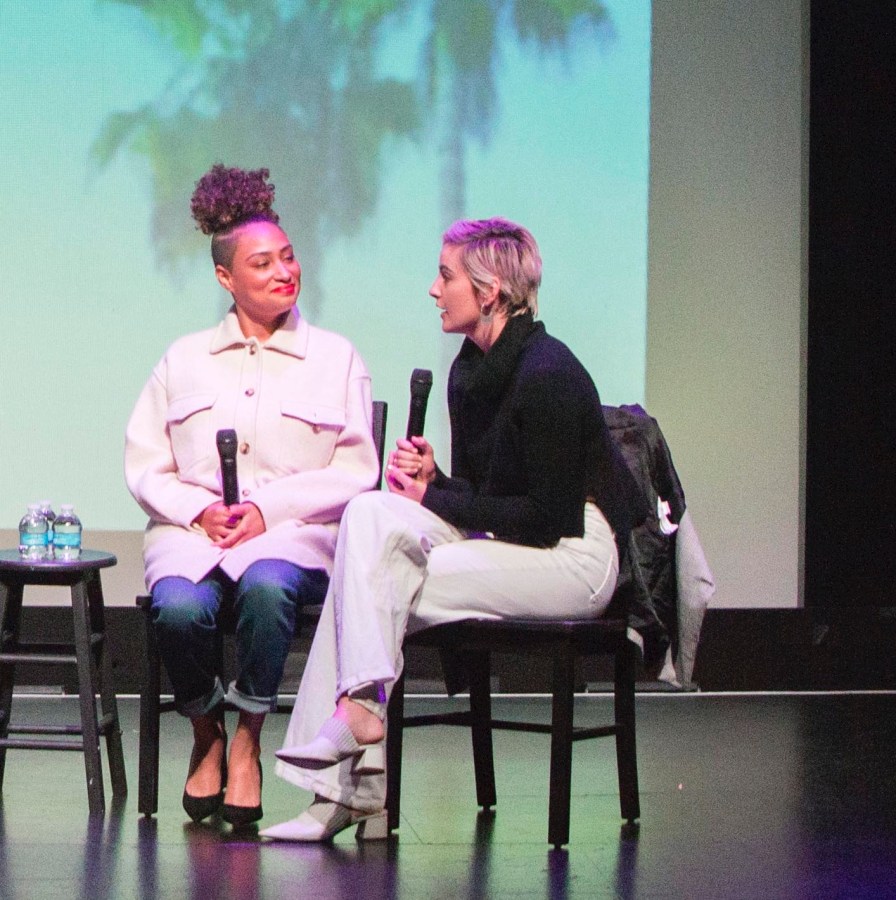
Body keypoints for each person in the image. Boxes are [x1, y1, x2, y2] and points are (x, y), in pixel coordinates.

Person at [261, 217, 645, 842]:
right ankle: (359, 733)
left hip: (577, 555)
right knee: (369, 516)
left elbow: (547, 518)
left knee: (371, 579)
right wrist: (432, 486)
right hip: (521, 545)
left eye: (446, 276)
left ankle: (352, 786)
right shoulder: (471, 370)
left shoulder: (548, 372)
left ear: (489, 291)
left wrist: (441, 498)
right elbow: (492, 501)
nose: (434, 290)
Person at [124, 164, 379, 827]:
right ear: (225, 277)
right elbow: (146, 462)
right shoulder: (184, 358)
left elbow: (356, 466)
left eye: (289, 257)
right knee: (178, 608)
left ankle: (246, 740)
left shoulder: (335, 357)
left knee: (268, 590)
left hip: (290, 538)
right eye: (262, 263)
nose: (282, 272)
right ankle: (207, 731)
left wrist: (270, 511)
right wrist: (197, 510)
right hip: (195, 537)